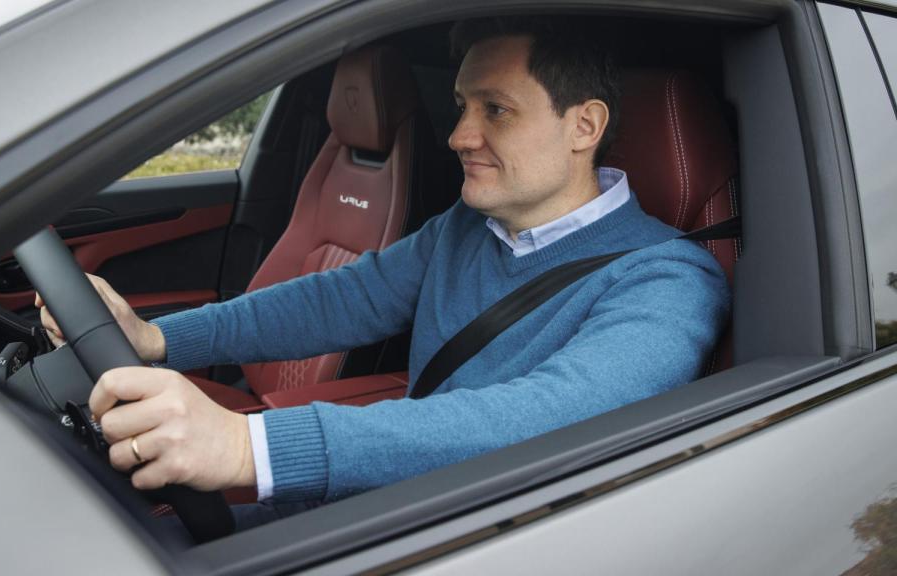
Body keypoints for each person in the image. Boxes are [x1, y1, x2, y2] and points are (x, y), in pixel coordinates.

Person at [38, 17, 729, 527]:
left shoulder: (666, 281)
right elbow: (335, 301)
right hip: (400, 494)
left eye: (496, 110)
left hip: (486, 531)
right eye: (462, 106)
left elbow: (543, 419)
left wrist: (250, 446)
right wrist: (159, 338)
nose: (459, 134)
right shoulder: (466, 228)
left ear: (584, 126)